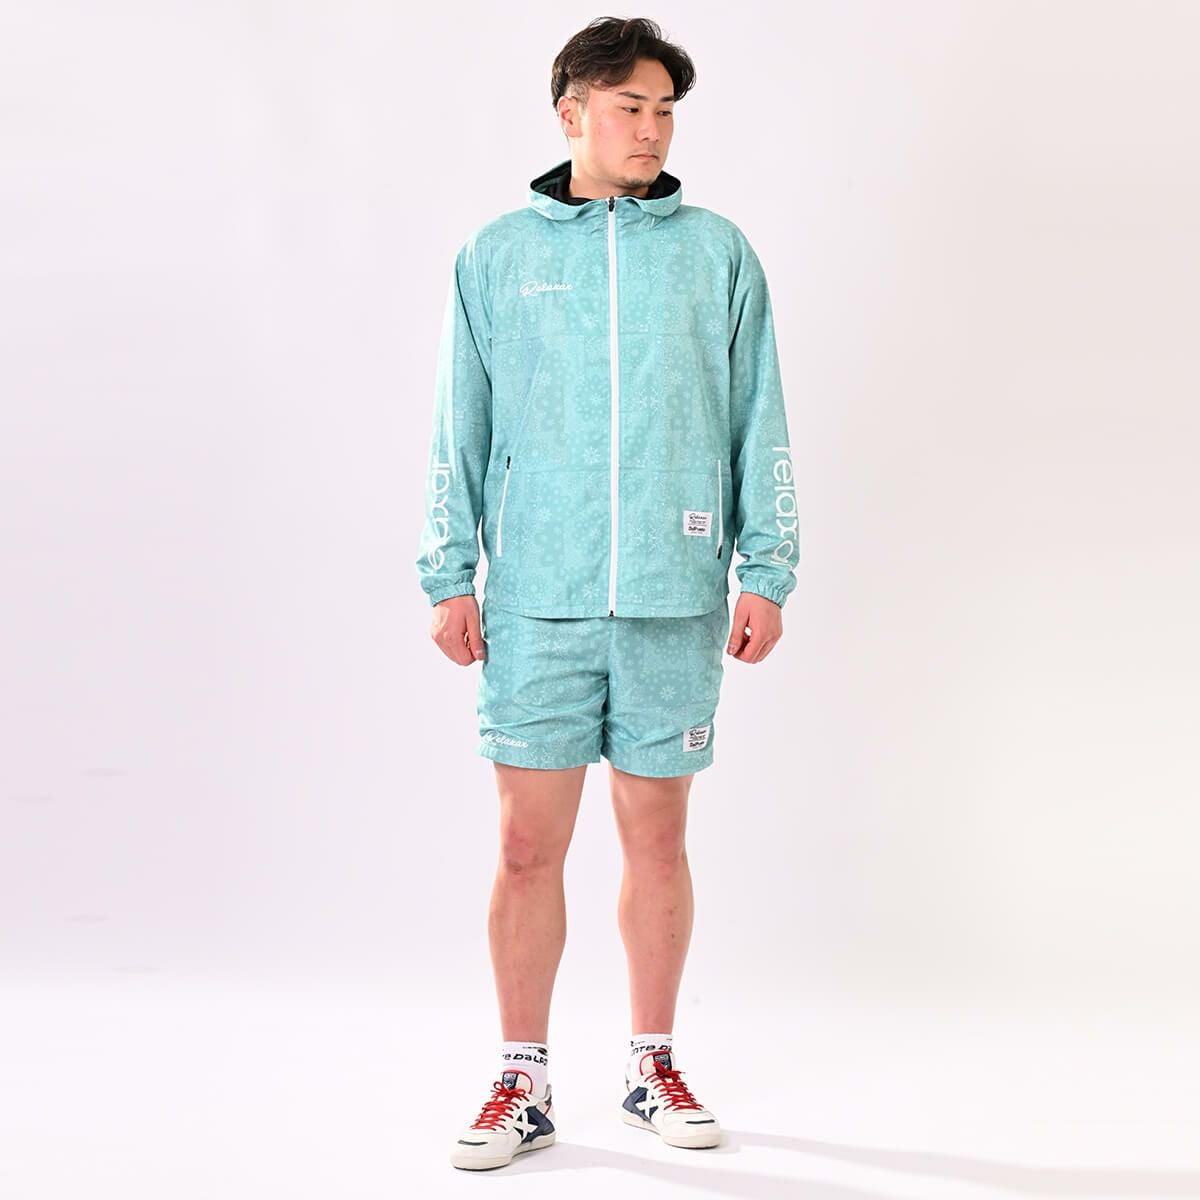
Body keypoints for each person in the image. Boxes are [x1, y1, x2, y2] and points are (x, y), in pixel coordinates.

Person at [415, 16, 800, 1172]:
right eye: (631, 106)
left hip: (677, 597)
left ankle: (650, 1064)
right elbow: (459, 424)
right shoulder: (496, 255)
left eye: (666, 109)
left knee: (658, 842)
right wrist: (448, 574)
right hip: (538, 598)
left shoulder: (717, 252)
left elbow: (760, 418)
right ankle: (521, 1079)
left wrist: (767, 566)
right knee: (527, 847)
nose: (653, 128)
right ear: (571, 112)